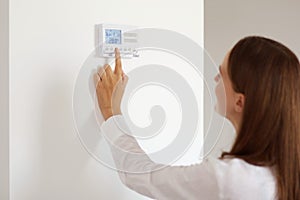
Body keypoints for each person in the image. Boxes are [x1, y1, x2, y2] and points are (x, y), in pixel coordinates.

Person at [94, 36, 300, 200]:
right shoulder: (286, 172)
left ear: (239, 102)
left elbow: (142, 175)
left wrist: (111, 111)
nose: (215, 79)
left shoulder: (231, 181)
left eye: (222, 75)